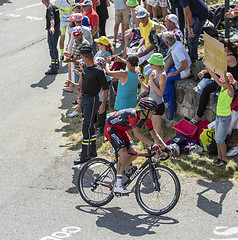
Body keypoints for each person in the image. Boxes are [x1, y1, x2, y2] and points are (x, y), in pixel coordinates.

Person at [104, 97, 172, 193]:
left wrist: (165, 147)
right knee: (123, 153)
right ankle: (118, 186)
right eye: (152, 110)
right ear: (145, 110)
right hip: (110, 128)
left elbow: (154, 134)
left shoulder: (146, 118)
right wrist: (152, 145)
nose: (154, 112)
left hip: (121, 131)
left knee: (134, 153)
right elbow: (137, 134)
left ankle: (115, 171)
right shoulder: (133, 115)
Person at [74, 46, 109, 165]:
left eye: (82, 57)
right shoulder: (85, 68)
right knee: (90, 126)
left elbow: (105, 89)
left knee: (86, 127)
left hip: (92, 100)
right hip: (85, 99)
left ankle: (84, 154)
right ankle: (93, 151)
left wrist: (103, 104)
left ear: (85, 57)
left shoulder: (98, 71)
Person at [191, 38, 238, 124]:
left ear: (226, 48)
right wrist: (203, 71)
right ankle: (198, 115)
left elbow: (215, 67)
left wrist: (207, 63)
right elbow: (214, 68)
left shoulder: (230, 58)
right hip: (221, 81)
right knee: (206, 90)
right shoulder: (224, 56)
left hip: (229, 84)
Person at [205, 68, 236, 167]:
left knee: (220, 140)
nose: (221, 83)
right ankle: (219, 157)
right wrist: (208, 67)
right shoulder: (223, 88)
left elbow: (226, 82)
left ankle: (224, 159)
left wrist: (225, 75)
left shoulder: (230, 91)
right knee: (217, 139)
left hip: (224, 118)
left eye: (223, 82)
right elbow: (215, 77)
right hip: (219, 117)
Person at [162, 31, 191, 120]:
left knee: (166, 79)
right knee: (163, 75)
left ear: (167, 42)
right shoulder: (174, 44)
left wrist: (175, 72)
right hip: (177, 67)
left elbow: (185, 64)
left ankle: (167, 101)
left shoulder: (177, 49)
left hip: (184, 71)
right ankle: (167, 100)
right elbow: (172, 58)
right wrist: (167, 68)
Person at [139, 53, 167, 139]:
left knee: (157, 131)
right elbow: (148, 89)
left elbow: (160, 93)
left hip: (157, 105)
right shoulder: (153, 72)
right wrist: (141, 82)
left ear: (157, 64)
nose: (149, 65)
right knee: (156, 130)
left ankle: (159, 149)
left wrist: (151, 80)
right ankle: (162, 148)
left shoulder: (162, 75)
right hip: (151, 104)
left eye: (151, 63)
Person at [42, 0, 60, 75]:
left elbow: (52, 19)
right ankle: (56, 63)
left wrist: (52, 27)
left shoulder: (49, 8)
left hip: (53, 32)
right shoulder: (54, 6)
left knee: (52, 48)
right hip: (57, 30)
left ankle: (53, 67)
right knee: (54, 47)